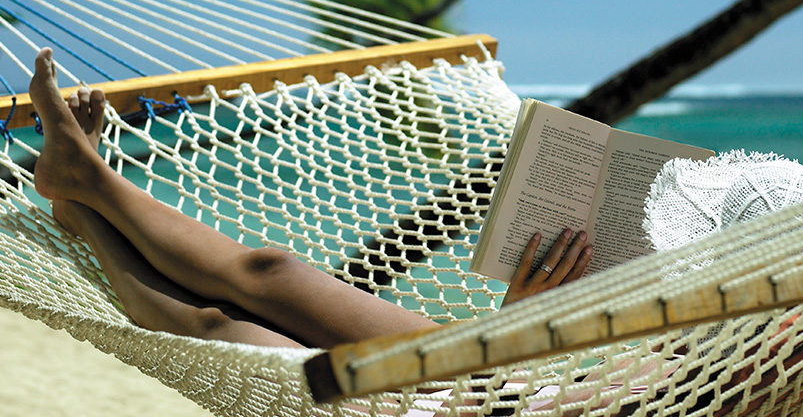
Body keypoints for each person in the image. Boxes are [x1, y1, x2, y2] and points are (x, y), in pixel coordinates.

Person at [29, 47, 593, 350]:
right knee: (274, 269)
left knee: (217, 332)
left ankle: (81, 195)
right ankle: (82, 184)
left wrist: (512, 336)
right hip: (512, 381)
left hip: (473, 398)